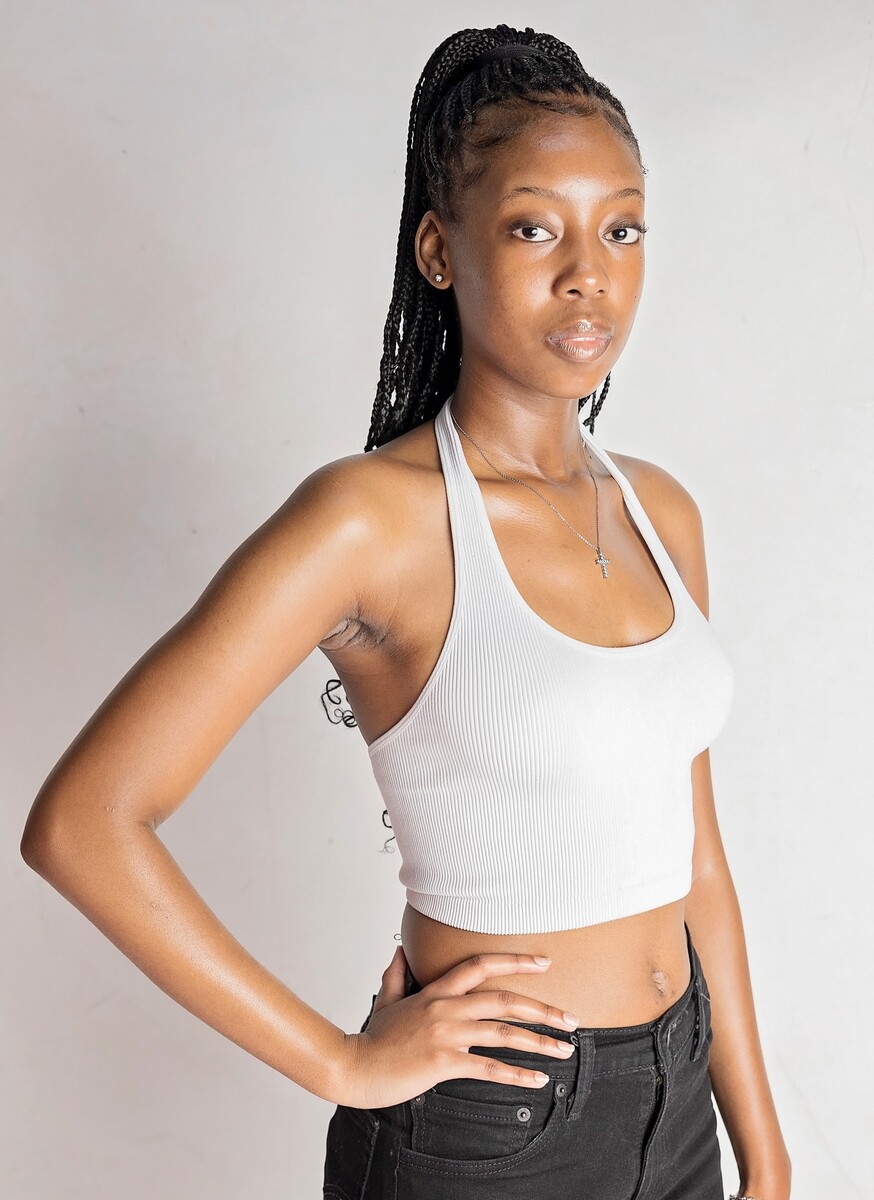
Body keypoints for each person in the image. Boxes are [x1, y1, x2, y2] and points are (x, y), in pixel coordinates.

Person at [19, 21, 791, 1200]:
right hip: (491, 1131)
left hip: (679, 1099)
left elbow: (699, 861)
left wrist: (764, 1151)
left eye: (620, 228)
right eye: (534, 227)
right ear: (440, 249)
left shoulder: (660, 512)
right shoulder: (370, 520)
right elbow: (84, 823)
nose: (587, 274)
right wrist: (342, 1062)